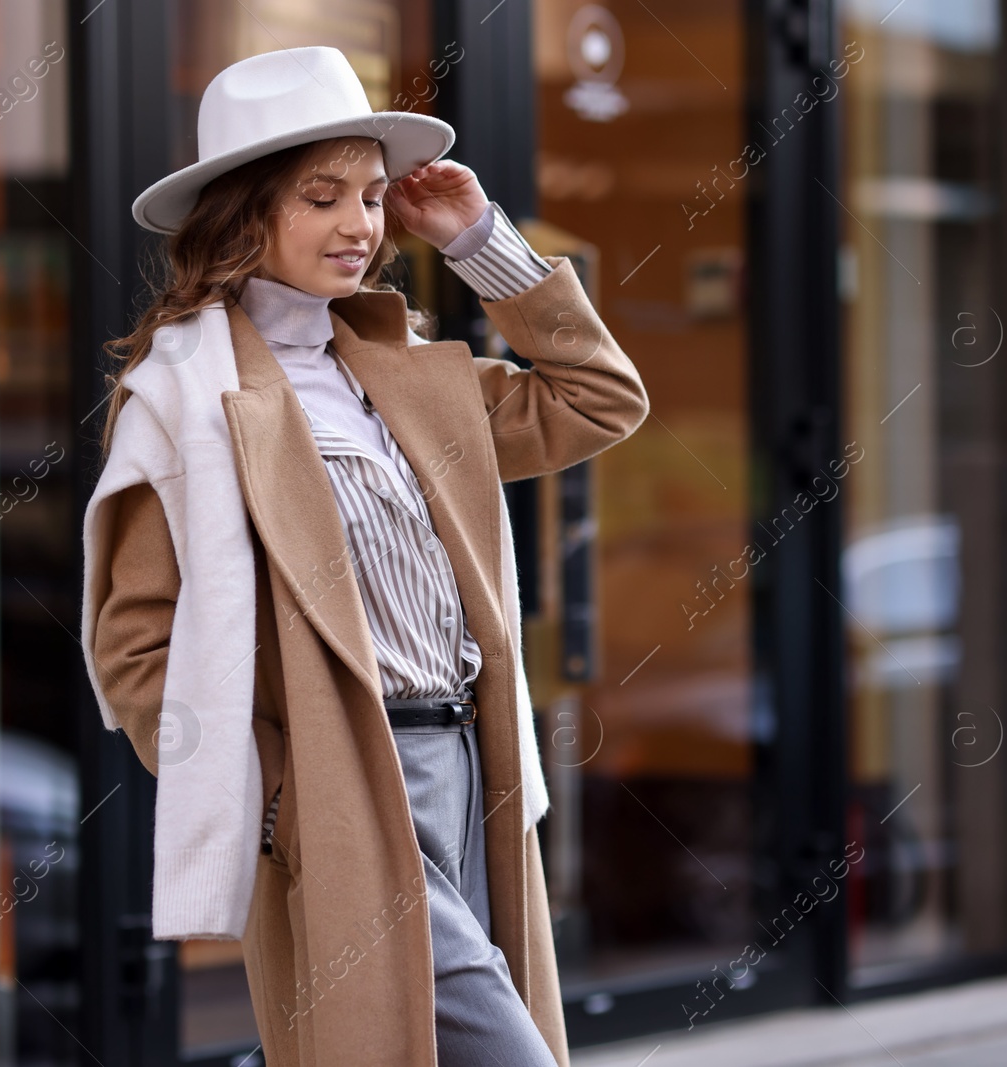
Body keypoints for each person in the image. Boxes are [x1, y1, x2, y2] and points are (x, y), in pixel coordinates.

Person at [81, 45, 648, 1067]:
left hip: (472, 759)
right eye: (322, 195)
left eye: (375, 196)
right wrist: (282, 795)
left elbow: (598, 399)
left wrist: (484, 243)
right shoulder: (182, 399)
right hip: (340, 778)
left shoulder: (412, 376)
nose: (360, 224)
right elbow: (135, 652)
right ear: (244, 213)